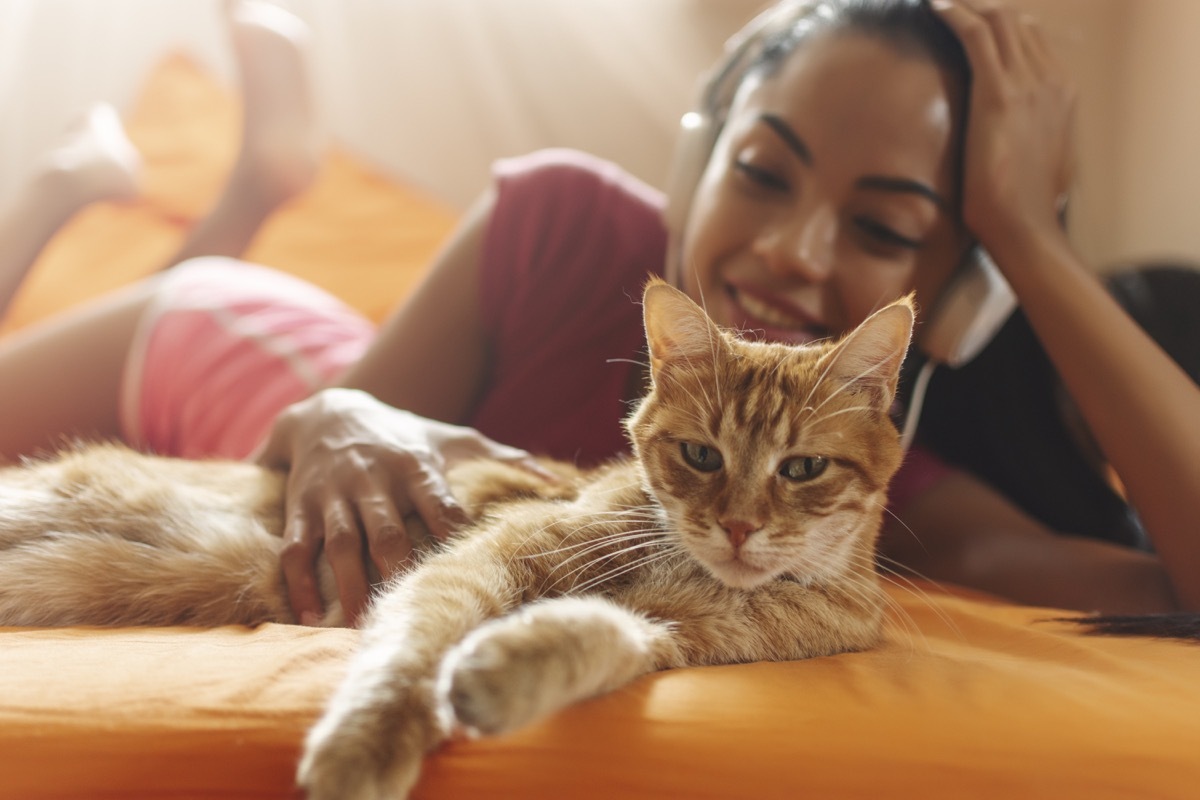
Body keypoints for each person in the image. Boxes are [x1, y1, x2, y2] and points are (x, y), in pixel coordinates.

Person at [1, 0, 1197, 628]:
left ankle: (244, 182)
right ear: (696, 165)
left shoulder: (890, 490)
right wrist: (343, 413)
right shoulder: (568, 223)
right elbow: (309, 434)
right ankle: (103, 192)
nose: (790, 250)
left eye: (883, 229)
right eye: (763, 174)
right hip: (236, 346)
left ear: (955, 301)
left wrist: (1029, 240)